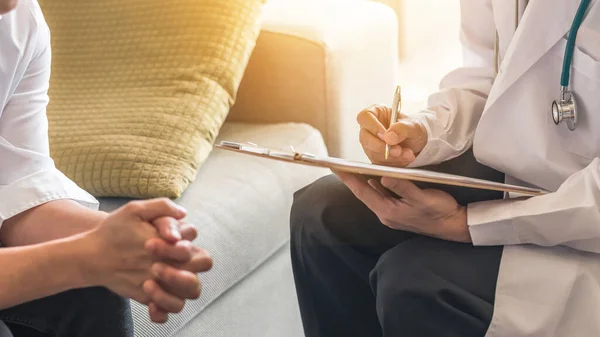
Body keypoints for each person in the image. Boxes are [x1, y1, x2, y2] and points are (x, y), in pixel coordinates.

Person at [290, 0, 600, 337]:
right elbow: (489, 76)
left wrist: (465, 224)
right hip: (528, 174)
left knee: (414, 284)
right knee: (322, 213)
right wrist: (424, 131)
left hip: (586, 228)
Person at [0, 0, 213, 336]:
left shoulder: (19, 20)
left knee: (93, 289)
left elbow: (16, 186)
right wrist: (84, 257)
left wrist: (131, 242)